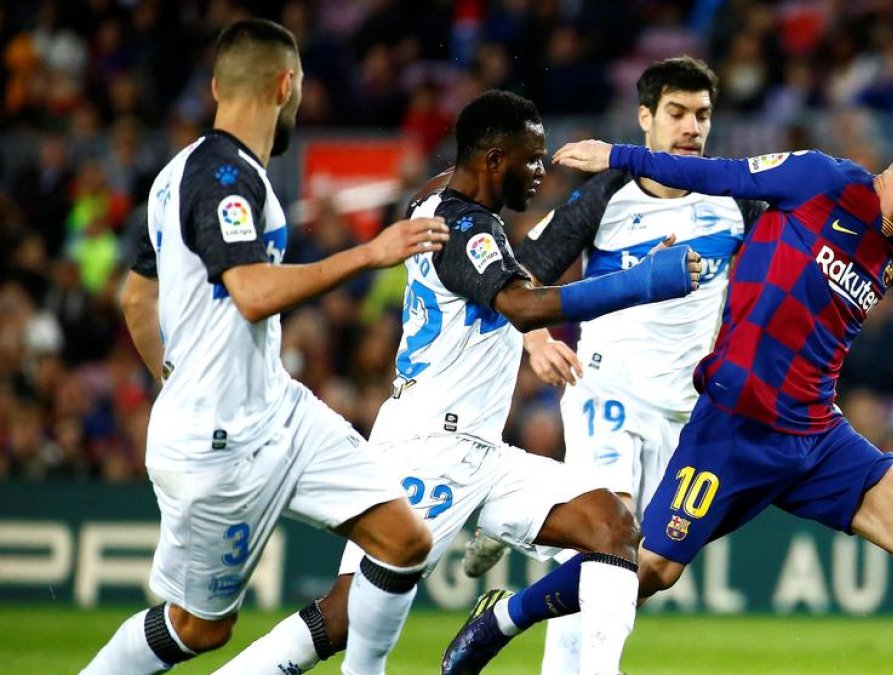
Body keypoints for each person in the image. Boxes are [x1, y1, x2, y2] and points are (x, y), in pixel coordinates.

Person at [454, 118, 893, 675]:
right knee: (650, 569)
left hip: (814, 435)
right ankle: (501, 619)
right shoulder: (818, 180)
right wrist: (619, 155)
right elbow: (716, 173)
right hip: (733, 427)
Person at [215, 89, 702, 675]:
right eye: (532, 158)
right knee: (345, 618)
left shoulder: (435, 202)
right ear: (494, 161)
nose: (541, 172)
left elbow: (479, 208)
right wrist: (644, 281)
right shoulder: (462, 229)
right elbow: (521, 306)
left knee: (611, 527)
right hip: (428, 451)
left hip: (480, 450)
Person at [80, 19, 449, 675]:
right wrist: (369, 251)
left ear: (219, 84)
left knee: (404, 538)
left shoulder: (177, 175)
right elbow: (250, 292)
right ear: (287, 85)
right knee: (200, 627)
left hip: (277, 408)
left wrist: (177, 376)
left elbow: (136, 299)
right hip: (218, 442)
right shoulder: (225, 178)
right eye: (300, 87)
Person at [458, 55, 764, 675]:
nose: (691, 128)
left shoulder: (736, 201)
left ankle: (524, 529)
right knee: (610, 538)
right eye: (676, 113)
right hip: (606, 387)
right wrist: (535, 340)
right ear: (645, 118)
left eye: (702, 115)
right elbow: (517, 280)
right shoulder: (604, 196)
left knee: (627, 569)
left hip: (685, 410)